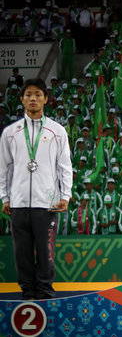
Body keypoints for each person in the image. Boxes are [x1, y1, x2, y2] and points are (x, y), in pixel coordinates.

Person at [0, 78, 73, 300]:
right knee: (21, 253)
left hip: (47, 204)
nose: (33, 98)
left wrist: (65, 195)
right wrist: (5, 197)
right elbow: (4, 168)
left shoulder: (57, 131)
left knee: (46, 252)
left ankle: (44, 292)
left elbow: (64, 165)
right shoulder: (10, 133)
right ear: (21, 99)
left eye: (38, 94)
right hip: (19, 204)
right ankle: (28, 292)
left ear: (46, 99)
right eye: (29, 94)